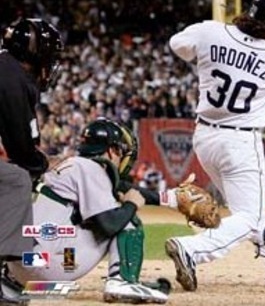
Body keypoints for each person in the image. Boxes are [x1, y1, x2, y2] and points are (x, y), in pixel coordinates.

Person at [165, 0, 265, 290]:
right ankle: (192, 249)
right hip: (240, 142)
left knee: (249, 212)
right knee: (248, 217)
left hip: (205, 137)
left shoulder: (210, 31)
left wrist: (215, 44)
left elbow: (178, 45)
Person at [4, 118, 173, 304]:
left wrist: (170, 199)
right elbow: (109, 225)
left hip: (19, 265)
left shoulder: (72, 165)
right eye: (122, 152)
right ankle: (122, 282)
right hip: (48, 266)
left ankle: (11, 286)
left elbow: (120, 189)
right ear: (112, 150)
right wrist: (131, 205)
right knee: (124, 217)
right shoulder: (92, 169)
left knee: (78, 221)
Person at [0, 18, 63, 305]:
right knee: (16, 179)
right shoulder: (13, 77)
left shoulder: (5, 68)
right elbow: (22, 149)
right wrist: (43, 163)